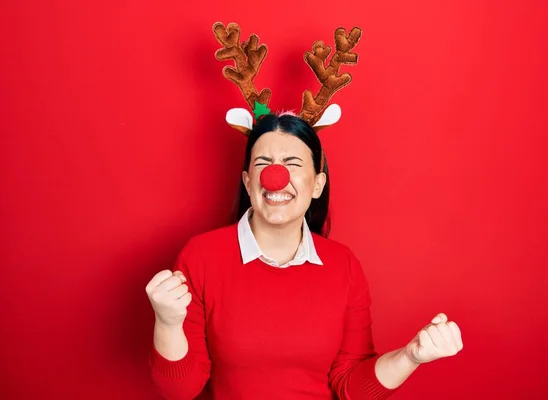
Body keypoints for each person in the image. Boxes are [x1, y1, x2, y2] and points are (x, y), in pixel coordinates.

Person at [145, 23, 463, 400]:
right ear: (248, 182)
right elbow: (179, 390)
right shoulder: (201, 257)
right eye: (263, 162)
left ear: (317, 185)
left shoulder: (343, 266)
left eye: (293, 164)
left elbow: (351, 386)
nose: (276, 177)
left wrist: (411, 356)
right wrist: (167, 321)